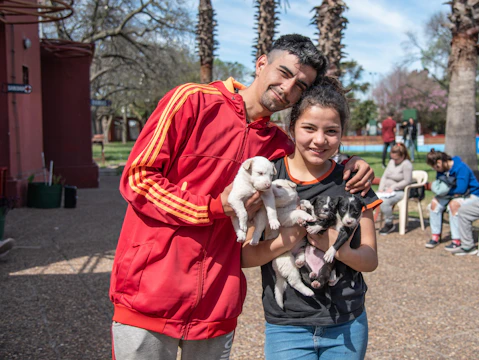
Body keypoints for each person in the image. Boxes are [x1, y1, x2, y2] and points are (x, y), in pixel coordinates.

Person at [109, 34, 376, 360]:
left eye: (301, 86)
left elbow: (315, 154)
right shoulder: (192, 101)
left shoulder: (277, 145)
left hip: (217, 303)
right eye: (284, 72)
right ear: (261, 63)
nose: (288, 88)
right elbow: (138, 179)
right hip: (150, 292)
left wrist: (354, 164)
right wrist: (211, 208)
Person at [241, 76, 381, 360]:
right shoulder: (270, 178)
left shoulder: (352, 181)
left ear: (342, 133)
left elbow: (370, 259)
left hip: (347, 323)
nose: (320, 140)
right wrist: (289, 238)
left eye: (331, 130)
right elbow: (245, 255)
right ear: (291, 128)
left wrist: (332, 244)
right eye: (309, 128)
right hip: (286, 327)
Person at [424, 149, 479, 251]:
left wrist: (441, 191)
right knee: (434, 203)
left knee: (454, 205)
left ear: (440, 162)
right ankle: (435, 236)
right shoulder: (441, 170)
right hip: (452, 195)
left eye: (436, 167)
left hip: (471, 195)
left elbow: (461, 189)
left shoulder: (461, 167)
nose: (436, 170)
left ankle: (457, 240)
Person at [377, 143, 413, 235]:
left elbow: (407, 181)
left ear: (403, 156)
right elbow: (384, 176)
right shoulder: (391, 162)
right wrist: (381, 188)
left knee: (384, 202)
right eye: (392, 158)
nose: (394, 160)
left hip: (399, 191)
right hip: (386, 191)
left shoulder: (406, 164)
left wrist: (393, 187)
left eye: (396, 159)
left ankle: (389, 223)